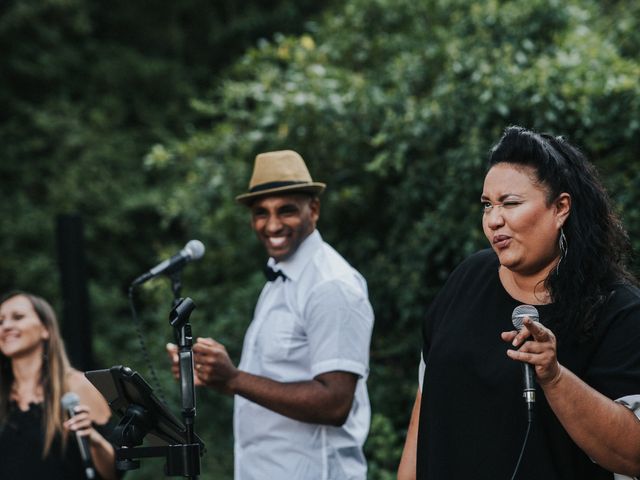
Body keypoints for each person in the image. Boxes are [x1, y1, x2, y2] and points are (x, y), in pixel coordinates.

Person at [397, 126, 640, 479]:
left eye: (510, 204)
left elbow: (632, 455)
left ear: (560, 208)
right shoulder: (468, 277)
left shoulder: (618, 310)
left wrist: (555, 377)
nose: (494, 220)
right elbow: (427, 401)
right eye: (487, 206)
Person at [167, 150, 374, 479]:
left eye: (286, 210)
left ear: (314, 210)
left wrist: (233, 379)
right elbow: (275, 375)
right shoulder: (279, 278)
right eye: (261, 213)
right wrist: (206, 369)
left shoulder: (331, 285)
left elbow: (335, 403)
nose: (272, 224)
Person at [0, 290, 119, 480]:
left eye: (18, 317)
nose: (6, 326)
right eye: (0, 322)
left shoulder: (77, 386)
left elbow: (114, 473)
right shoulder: (3, 395)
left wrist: (94, 440)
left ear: (46, 329)